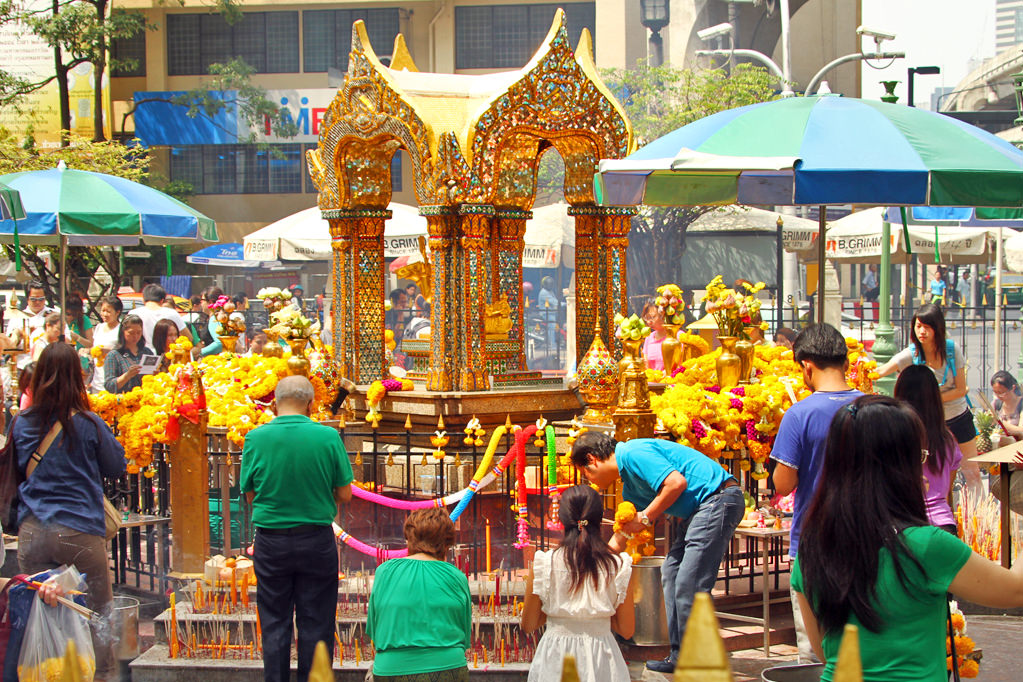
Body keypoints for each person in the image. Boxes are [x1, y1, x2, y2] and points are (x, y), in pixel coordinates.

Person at [792, 394, 1023, 682]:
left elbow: (826, 651)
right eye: (920, 457)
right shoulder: (926, 546)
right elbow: (1016, 590)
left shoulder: (811, 551)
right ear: (900, 467)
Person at [570, 432, 743, 673]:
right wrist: (598, 562)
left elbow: (676, 483)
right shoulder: (629, 483)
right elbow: (624, 533)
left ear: (592, 459)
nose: (588, 480)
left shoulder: (632, 452)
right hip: (699, 511)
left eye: (585, 472)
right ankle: (680, 655)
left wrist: (645, 516)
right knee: (671, 573)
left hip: (717, 500)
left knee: (690, 583)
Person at [13, 343, 127, 678]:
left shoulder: (21, 423)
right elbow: (116, 465)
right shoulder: (88, 423)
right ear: (77, 377)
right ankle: (99, 675)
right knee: (97, 619)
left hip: (33, 531)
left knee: (39, 615)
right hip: (79, 532)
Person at [240, 375, 353, 682]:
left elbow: (251, 495)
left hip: (271, 542)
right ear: (311, 403)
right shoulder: (328, 437)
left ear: (274, 404)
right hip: (316, 540)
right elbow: (344, 494)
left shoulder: (255, 438)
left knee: (274, 622)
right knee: (316, 624)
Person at [770, 323, 862, 663]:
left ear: (806, 365)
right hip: (867, 540)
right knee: (862, 644)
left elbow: (784, 484)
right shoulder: (875, 407)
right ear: (845, 362)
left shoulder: (799, 414)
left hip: (815, 543)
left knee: (816, 653)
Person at [520, 485, 635, 682]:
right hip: (603, 658)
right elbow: (626, 629)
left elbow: (529, 624)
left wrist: (555, 617)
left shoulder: (544, 564)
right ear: (600, 519)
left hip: (556, 657)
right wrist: (599, 617)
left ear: (562, 519)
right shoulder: (618, 565)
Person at [877, 304, 980, 493]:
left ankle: (975, 517)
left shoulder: (951, 350)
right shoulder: (912, 353)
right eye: (918, 326)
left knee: (971, 470)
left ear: (937, 328)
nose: (922, 331)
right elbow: (882, 371)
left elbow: (961, 389)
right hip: (929, 424)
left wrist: (929, 399)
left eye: (927, 327)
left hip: (957, 417)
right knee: (933, 474)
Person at [367, 507, 471, 682]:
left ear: (409, 539)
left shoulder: (384, 571)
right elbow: (464, 635)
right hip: (449, 668)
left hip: (392, 669)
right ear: (447, 544)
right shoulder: (456, 576)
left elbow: (374, 631)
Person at [894, 365, 962, 533]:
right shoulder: (947, 439)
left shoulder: (894, 435)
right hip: (943, 526)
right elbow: (947, 489)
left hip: (905, 524)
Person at [104, 314, 154, 394]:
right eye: (131, 333)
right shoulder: (114, 355)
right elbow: (109, 385)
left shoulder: (147, 352)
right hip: (124, 401)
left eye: (139, 332)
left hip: (146, 399)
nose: (135, 336)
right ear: (123, 332)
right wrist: (127, 376)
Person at [90, 296, 122, 394]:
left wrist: (108, 351)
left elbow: (124, 352)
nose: (104, 314)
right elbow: (93, 347)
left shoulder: (121, 330)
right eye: (103, 310)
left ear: (117, 312)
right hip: (97, 380)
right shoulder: (99, 327)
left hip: (112, 379)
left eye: (108, 311)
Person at [990, 370, 1023, 439]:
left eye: (1002, 393)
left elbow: (1021, 431)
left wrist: (1000, 422)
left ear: (1012, 388)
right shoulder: (996, 404)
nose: (999, 396)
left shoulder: (1021, 405)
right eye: (996, 392)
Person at [197, 286, 225, 356]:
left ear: (210, 302)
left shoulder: (214, 319)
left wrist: (200, 353)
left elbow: (219, 343)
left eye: (202, 300)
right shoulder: (221, 317)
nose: (201, 303)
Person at [641, 300, 667, 371]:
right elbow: (646, 363)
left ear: (663, 315)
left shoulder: (677, 336)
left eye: (652, 317)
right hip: (653, 380)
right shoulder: (649, 338)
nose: (649, 321)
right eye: (647, 318)